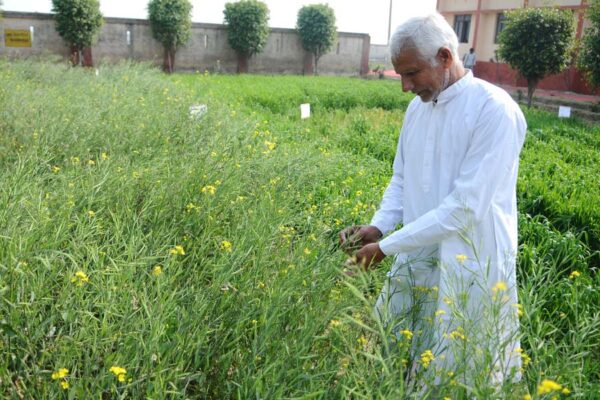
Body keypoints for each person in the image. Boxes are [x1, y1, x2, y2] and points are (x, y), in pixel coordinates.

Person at [339, 13, 526, 387]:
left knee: (461, 369)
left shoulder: (494, 110)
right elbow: (402, 179)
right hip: (415, 252)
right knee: (397, 358)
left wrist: (386, 247)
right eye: (401, 75)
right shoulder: (417, 109)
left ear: (444, 56)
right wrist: (380, 224)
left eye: (412, 73)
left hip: (470, 259)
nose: (405, 87)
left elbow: (465, 208)